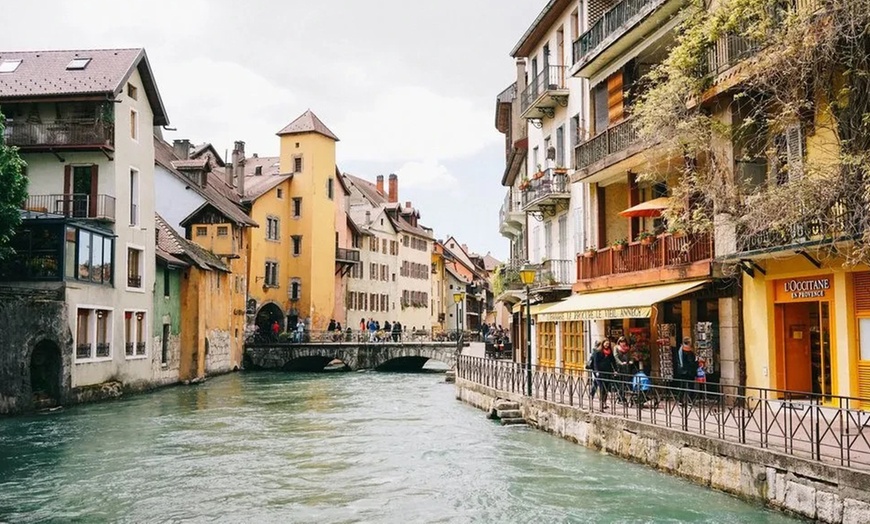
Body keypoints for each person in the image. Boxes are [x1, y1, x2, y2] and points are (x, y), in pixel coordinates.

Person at [591, 340, 617, 410]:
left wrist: (615, 370)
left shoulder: (610, 352)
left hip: (608, 372)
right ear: (603, 344)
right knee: (602, 388)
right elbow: (595, 363)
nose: (607, 345)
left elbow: (613, 361)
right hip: (600, 372)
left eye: (608, 344)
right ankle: (601, 404)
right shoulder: (598, 352)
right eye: (606, 343)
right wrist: (596, 371)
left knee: (606, 388)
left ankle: (604, 402)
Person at [673, 337, 699, 403]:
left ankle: (680, 400)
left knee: (682, 386)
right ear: (689, 342)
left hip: (682, 371)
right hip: (689, 372)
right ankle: (690, 401)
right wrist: (697, 361)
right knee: (691, 386)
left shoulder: (680, 350)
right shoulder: (689, 351)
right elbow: (691, 362)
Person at [613, 337, 637, 404]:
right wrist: (620, 363)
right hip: (620, 367)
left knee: (626, 381)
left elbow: (630, 356)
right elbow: (616, 356)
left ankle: (624, 396)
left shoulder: (627, 348)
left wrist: (631, 361)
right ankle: (620, 397)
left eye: (624, 342)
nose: (623, 343)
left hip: (627, 367)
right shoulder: (616, 348)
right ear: (619, 342)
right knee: (621, 382)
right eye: (621, 342)